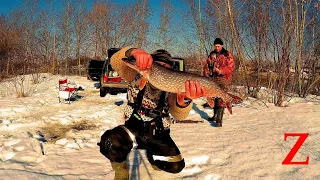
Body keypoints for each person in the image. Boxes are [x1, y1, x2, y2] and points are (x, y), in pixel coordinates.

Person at [98, 47, 205, 179]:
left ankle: (153, 156)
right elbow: (115, 61)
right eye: (158, 64)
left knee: (175, 165)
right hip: (133, 128)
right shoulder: (133, 75)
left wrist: (184, 100)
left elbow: (180, 115)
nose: (162, 68)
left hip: (157, 132)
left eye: (166, 66)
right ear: (149, 64)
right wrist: (134, 52)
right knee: (108, 142)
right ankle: (121, 169)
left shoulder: (173, 87)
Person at [203, 38, 235, 127]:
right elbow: (206, 66)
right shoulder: (211, 55)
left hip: (223, 79)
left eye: (218, 46)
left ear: (222, 46)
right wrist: (206, 74)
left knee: (221, 98)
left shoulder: (227, 54)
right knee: (214, 97)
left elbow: (231, 67)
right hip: (213, 79)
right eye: (215, 46)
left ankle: (219, 121)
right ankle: (215, 116)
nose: (217, 48)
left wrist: (220, 70)